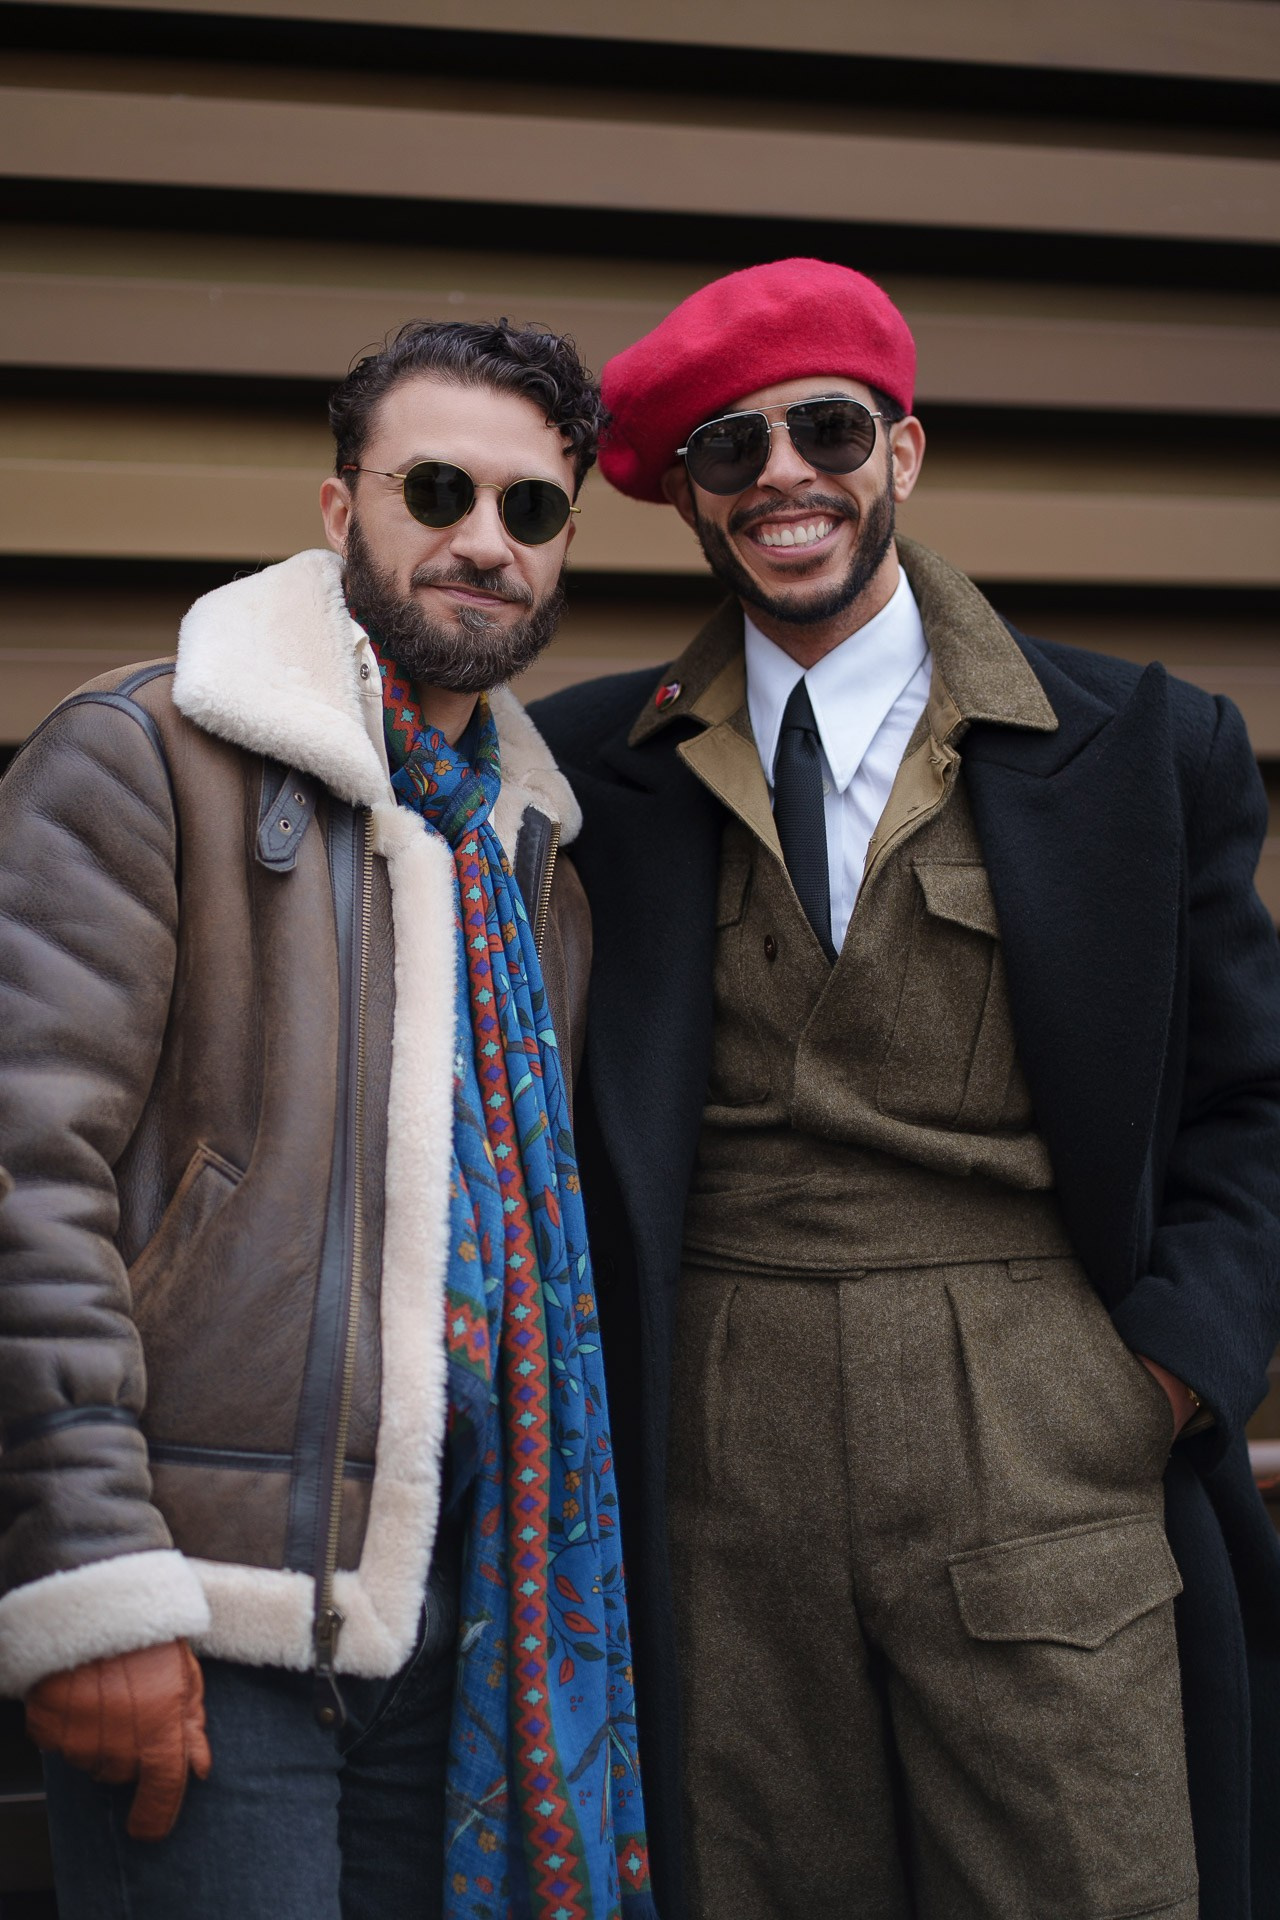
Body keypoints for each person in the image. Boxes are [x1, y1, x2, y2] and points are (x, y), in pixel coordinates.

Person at [529, 259, 1280, 1920]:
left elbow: (1254, 1102)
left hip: (1043, 1417)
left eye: (828, 429)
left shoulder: (1144, 748)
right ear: (696, 507)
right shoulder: (585, 767)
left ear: (906, 454)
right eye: (731, 452)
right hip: (713, 1436)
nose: (784, 475)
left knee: (1092, 1882)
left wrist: (1164, 1375)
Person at [0, 318, 656, 1920]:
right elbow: (27, 1181)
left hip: (461, 1619)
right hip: (212, 1620)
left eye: (531, 509)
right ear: (334, 505)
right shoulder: (146, 754)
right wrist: (93, 1577)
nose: (482, 542)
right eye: (435, 489)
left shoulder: (527, 859)